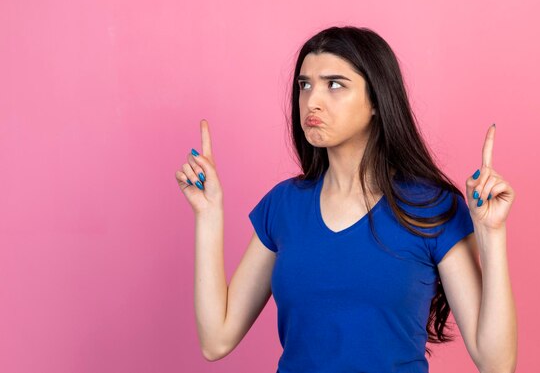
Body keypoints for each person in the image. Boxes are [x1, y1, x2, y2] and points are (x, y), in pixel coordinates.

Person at [175, 26, 517, 372]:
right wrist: (208, 214)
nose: (312, 101)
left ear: (376, 101)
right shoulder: (283, 206)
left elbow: (495, 364)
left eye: (334, 84)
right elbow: (216, 340)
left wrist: (492, 234)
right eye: (304, 85)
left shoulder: (432, 208)